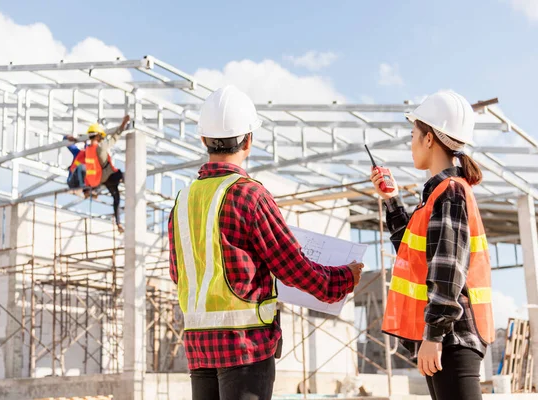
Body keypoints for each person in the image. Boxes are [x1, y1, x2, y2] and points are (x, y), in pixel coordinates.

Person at [168, 85, 364, 400]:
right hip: (246, 350)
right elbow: (293, 267)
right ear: (249, 140)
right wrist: (342, 279)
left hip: (198, 347)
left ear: (203, 139)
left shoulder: (183, 200)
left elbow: (179, 275)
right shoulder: (250, 194)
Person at [371, 91, 495, 400]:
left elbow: (448, 269)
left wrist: (434, 336)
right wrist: (392, 201)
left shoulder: (449, 192)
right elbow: (414, 257)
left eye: (413, 134)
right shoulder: (438, 194)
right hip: (447, 336)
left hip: (452, 336)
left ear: (429, 139)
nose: (410, 143)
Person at [67, 115, 130, 233]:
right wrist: (122, 125)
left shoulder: (88, 149)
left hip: (99, 179)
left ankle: (118, 223)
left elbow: (83, 142)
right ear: (99, 136)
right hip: (110, 176)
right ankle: (120, 219)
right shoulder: (100, 147)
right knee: (122, 183)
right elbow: (114, 138)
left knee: (116, 198)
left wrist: (75, 139)